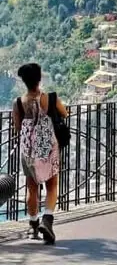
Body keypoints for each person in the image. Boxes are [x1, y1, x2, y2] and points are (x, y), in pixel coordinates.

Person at [12, 63, 67, 244]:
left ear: (24, 81)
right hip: (47, 145)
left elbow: (18, 127)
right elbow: (64, 113)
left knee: (32, 188)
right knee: (52, 185)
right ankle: (47, 219)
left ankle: (34, 224)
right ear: (39, 78)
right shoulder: (50, 98)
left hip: (28, 148)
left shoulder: (18, 103)